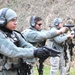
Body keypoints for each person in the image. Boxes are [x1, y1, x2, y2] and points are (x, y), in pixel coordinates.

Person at [0, 8, 60, 75]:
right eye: (12, 20)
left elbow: (26, 45)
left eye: (16, 20)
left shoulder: (15, 34)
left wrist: (43, 51)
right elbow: (13, 51)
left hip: (16, 71)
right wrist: (35, 52)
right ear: (3, 21)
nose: (15, 23)